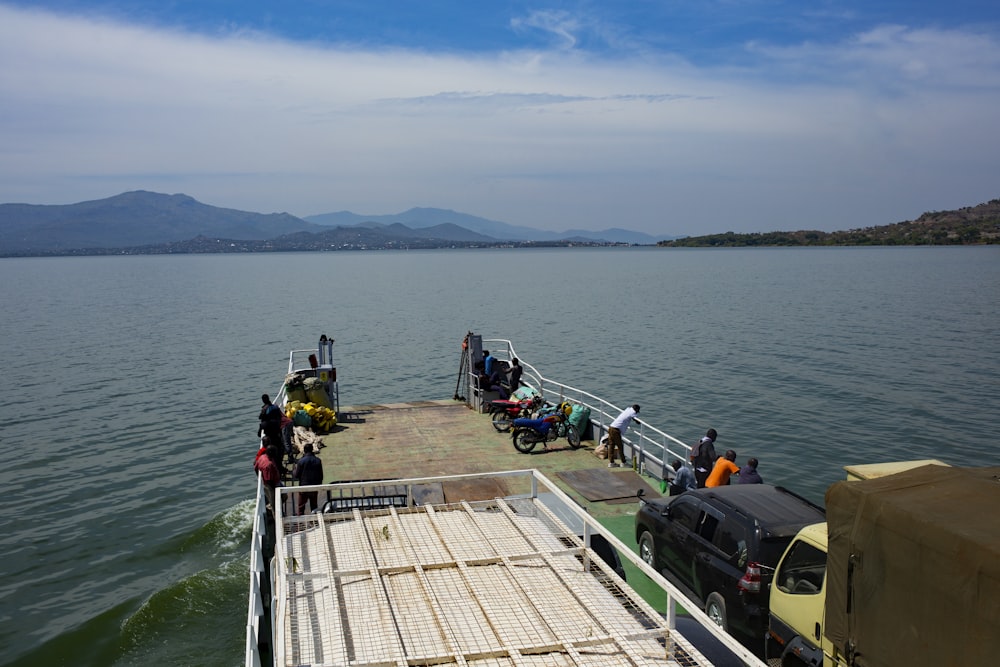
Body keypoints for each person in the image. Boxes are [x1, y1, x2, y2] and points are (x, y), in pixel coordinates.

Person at [292, 443, 324, 515]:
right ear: (312, 449)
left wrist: (294, 471)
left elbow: (296, 475)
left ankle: (300, 521)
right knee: (314, 506)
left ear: (304, 450)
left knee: (301, 506)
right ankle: (315, 521)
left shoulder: (301, 461)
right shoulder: (318, 460)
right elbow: (321, 475)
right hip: (314, 487)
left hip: (304, 487)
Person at [253, 443, 282, 513]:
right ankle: (276, 514)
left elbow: (255, 466)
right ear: (271, 453)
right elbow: (269, 479)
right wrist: (275, 488)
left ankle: (272, 507)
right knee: (275, 501)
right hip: (271, 485)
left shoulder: (262, 457)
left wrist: (258, 476)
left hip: (270, 482)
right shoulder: (269, 464)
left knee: (280, 498)